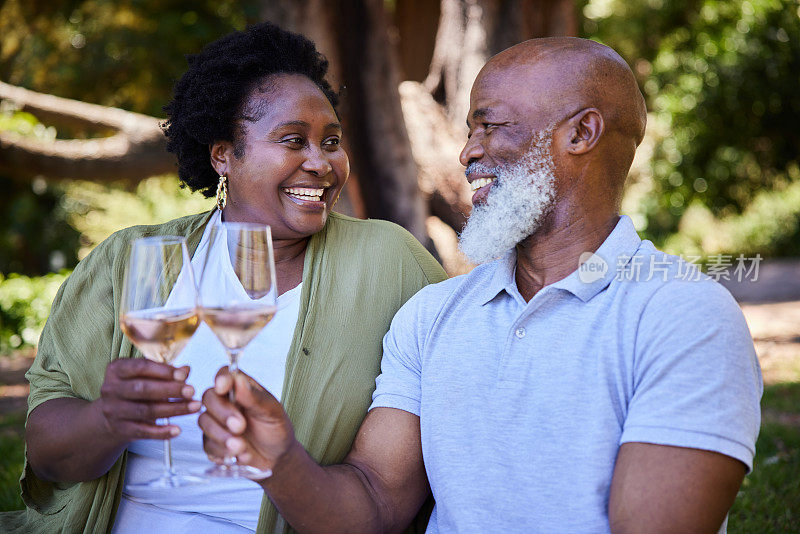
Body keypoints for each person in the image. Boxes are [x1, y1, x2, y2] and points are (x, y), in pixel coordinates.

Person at [199, 37, 762, 533]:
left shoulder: (684, 315)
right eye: (471, 129)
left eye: (490, 125)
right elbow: (373, 503)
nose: (468, 152)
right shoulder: (432, 315)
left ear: (583, 132)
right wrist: (280, 461)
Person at [2, 22, 446, 534]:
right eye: (293, 140)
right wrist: (107, 419)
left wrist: (279, 462)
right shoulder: (130, 259)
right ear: (223, 157)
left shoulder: (391, 264)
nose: (322, 163)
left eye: (331, 141)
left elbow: (388, 496)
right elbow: (48, 452)